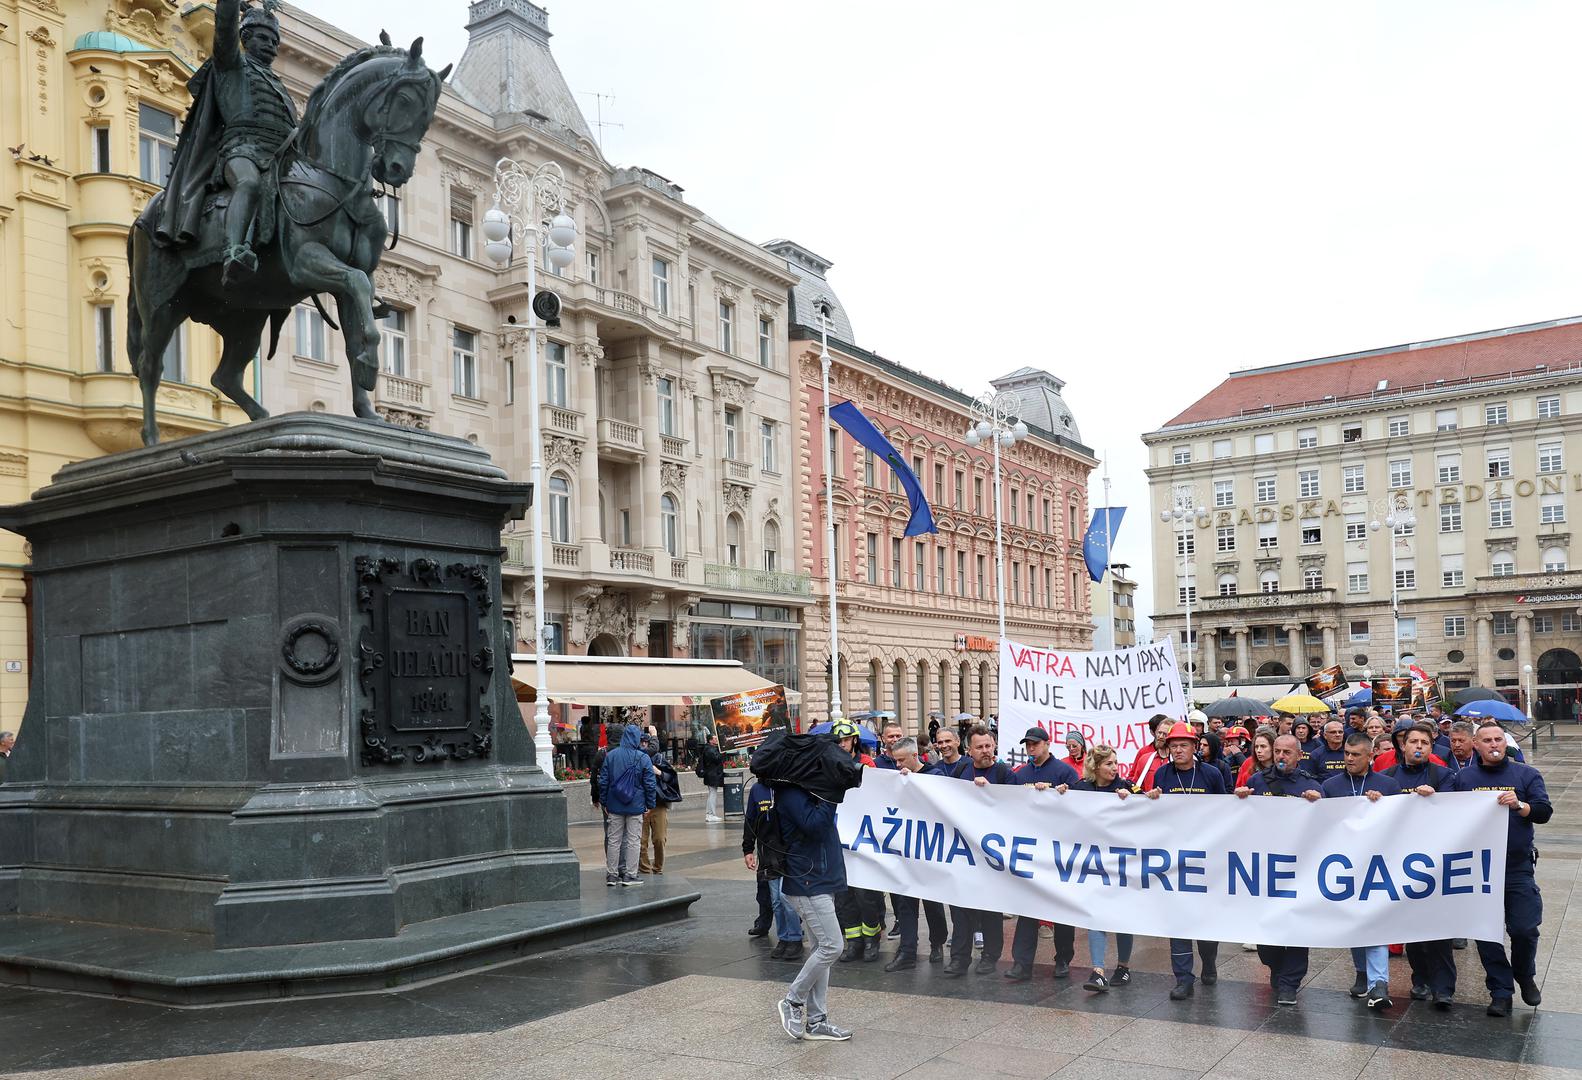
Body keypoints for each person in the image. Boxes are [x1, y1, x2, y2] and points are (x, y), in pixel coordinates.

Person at [1451, 723, 1552, 1017]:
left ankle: (1524, 974)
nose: (1494, 744)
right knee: (1487, 933)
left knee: (1524, 929)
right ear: (1475, 745)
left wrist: (1519, 804)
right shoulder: (1464, 778)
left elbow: (1543, 812)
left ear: (1505, 743)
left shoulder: (1526, 774)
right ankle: (1500, 991)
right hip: (1479, 867)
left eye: (1498, 739)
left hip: (1517, 866)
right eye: (1487, 740)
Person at [775, 731, 855, 1043]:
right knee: (833, 946)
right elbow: (816, 826)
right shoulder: (792, 792)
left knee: (822, 949)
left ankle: (817, 1020)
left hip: (819, 877)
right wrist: (832, 792)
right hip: (807, 881)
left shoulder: (809, 788)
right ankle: (793, 1000)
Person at [1234, 733, 1321, 1005]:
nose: (1281, 756)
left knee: (1295, 928)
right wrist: (1239, 800)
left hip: (1298, 868)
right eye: (1278, 751)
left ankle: (1289, 983)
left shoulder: (1309, 784)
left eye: (1287, 752)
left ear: (1298, 755)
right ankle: (1275, 966)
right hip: (1265, 868)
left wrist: (1318, 803)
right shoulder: (1257, 782)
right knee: (1266, 936)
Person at [1142, 721, 1225, 1000]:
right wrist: (1151, 799)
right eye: (1173, 745)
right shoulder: (1163, 774)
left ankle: (1209, 962)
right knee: (1177, 919)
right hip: (1174, 858)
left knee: (1205, 918)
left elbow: (1226, 813)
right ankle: (1183, 978)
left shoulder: (1211, 774)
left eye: (1183, 745)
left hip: (1206, 857)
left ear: (1194, 747)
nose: (1177, 750)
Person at [1320, 733, 1401, 1009]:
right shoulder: (1331, 786)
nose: (1350, 759)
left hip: (1377, 864)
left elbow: (1403, 821)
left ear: (1371, 756)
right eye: (1347, 754)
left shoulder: (1388, 785)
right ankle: (1362, 972)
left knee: (1372, 920)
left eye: (1356, 755)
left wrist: (1382, 806)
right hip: (1344, 865)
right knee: (1354, 922)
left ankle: (1379, 983)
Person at [1054, 744, 1137, 992]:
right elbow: (1064, 808)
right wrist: (1059, 793)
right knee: (1096, 913)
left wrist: (1135, 799)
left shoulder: (1126, 787)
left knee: (1121, 917)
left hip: (1121, 863)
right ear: (1096, 767)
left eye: (1115, 762)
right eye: (1109, 764)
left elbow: (1145, 810)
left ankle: (1123, 967)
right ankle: (1098, 971)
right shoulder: (1082, 788)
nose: (1114, 768)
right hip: (1093, 863)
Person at [1006, 728, 1080, 981]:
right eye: (1028, 744)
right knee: (1027, 908)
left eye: (1035, 744)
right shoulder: (1021, 774)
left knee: (1061, 908)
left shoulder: (1064, 772)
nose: (1031, 748)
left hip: (1059, 848)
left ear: (1048, 744)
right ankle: (1021, 962)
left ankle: (1062, 959)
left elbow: (1082, 804)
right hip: (1031, 848)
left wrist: (1061, 793)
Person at [942, 725, 1016, 978]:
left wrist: (991, 793)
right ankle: (959, 959)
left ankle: (989, 957)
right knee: (962, 908)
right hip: (964, 852)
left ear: (994, 746)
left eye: (989, 745)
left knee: (990, 909)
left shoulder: (1004, 773)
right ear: (969, 750)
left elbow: (1016, 807)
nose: (985, 751)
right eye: (980, 747)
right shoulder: (962, 770)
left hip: (992, 855)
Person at [883, 737, 949, 972]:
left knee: (933, 902)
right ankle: (908, 951)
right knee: (905, 902)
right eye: (895, 760)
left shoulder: (935, 774)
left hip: (929, 848)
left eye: (902, 760)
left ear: (914, 756)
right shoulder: (898, 777)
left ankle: (937, 943)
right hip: (905, 849)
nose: (898, 765)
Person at [828, 720, 884, 963]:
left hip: (862, 839)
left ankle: (872, 939)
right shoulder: (827, 764)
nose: (842, 744)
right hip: (837, 840)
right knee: (843, 896)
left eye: (846, 739)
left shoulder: (866, 763)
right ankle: (854, 942)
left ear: (854, 740)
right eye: (838, 740)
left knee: (866, 895)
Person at [744, 775, 803, 961]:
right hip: (768, 852)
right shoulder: (757, 790)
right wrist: (748, 849)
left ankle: (795, 938)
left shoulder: (788, 786)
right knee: (776, 900)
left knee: (787, 898)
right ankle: (783, 937)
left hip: (788, 851)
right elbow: (750, 820)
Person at [597, 723, 656, 887]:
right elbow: (650, 784)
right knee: (633, 840)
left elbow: (604, 781)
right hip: (636, 805)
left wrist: (604, 802)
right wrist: (650, 804)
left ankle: (612, 875)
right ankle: (630, 875)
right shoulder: (643, 757)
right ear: (637, 738)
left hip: (614, 804)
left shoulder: (611, 755)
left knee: (614, 840)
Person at [639, 729, 681, 875]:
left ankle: (658, 868)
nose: (644, 745)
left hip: (658, 804)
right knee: (641, 842)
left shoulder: (659, 758)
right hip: (641, 805)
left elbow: (672, 777)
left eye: (646, 742)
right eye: (642, 742)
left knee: (659, 839)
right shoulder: (636, 758)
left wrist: (660, 773)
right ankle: (645, 869)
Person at [1126, 714, 1176, 784]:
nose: (1160, 736)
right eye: (1159, 733)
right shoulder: (1144, 758)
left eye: (1165, 734)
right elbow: (1134, 784)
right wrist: (1127, 789)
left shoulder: (1179, 760)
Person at [699, 733, 726, 823]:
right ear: (710, 740)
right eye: (714, 738)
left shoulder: (710, 748)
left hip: (712, 775)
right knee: (712, 794)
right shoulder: (709, 749)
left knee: (712, 794)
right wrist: (723, 752)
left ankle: (709, 814)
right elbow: (718, 758)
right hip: (712, 775)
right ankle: (711, 815)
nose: (716, 740)